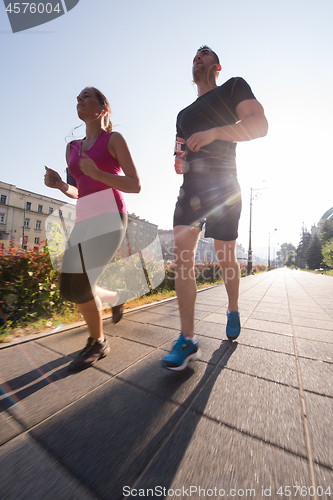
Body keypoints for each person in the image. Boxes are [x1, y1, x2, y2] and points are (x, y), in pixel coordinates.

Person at [162, 46, 268, 371]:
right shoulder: (183, 115)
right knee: (182, 249)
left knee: (225, 256)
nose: (198, 58)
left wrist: (216, 133)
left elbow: (260, 125)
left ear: (217, 66)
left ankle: (233, 307)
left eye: (205, 54)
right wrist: (179, 162)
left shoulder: (233, 87)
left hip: (224, 184)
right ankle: (188, 338)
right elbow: (178, 153)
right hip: (192, 187)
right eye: (194, 55)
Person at [44, 87, 140, 371]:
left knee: (83, 283)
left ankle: (98, 341)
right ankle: (117, 297)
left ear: (103, 109)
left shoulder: (114, 139)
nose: (79, 99)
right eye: (78, 97)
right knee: (70, 286)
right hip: (85, 216)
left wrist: (99, 174)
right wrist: (60, 185)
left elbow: (135, 184)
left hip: (111, 215)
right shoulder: (72, 147)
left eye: (87, 96)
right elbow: (78, 190)